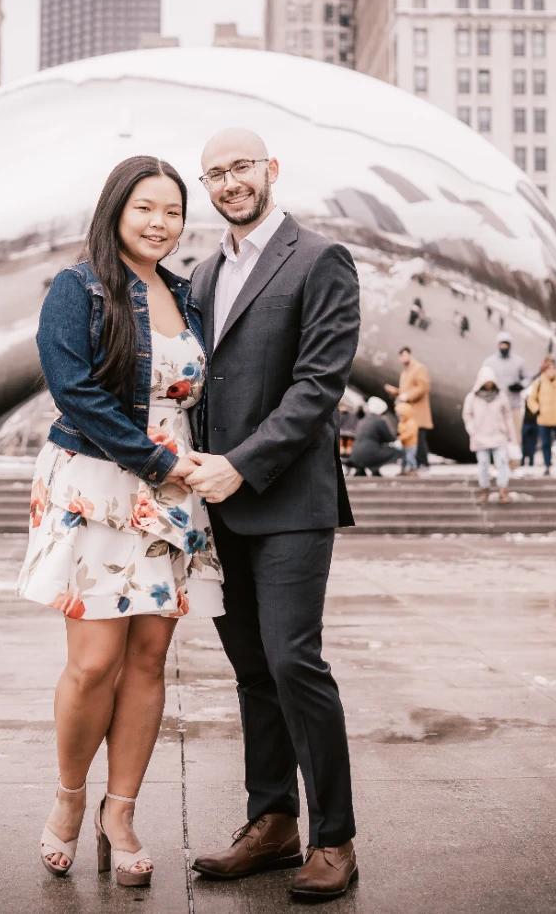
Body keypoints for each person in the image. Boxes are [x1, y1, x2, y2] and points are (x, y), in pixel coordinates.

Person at [18, 155, 223, 889]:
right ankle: (70, 798)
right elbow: (74, 391)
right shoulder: (78, 288)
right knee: (95, 661)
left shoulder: (186, 296)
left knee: (147, 661)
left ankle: (122, 810)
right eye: (145, 208)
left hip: (172, 497)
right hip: (102, 485)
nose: (160, 222)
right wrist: (157, 461)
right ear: (116, 210)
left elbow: (196, 395)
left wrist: (198, 468)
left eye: (171, 210)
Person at [183, 128, 361, 901]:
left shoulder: (321, 260)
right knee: (252, 671)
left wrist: (239, 466)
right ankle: (272, 821)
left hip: (287, 501)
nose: (230, 182)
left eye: (242, 167)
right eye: (215, 173)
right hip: (215, 508)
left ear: (271, 171)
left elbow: (317, 389)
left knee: (294, 662)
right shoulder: (198, 274)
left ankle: (334, 836)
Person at [464, 371, 517, 502]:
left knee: (502, 463)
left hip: (498, 435)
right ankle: (484, 489)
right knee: (483, 464)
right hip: (480, 437)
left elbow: (508, 416)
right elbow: (467, 415)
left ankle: (503, 489)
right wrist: (472, 430)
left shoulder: (501, 396)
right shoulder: (472, 397)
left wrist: (511, 435)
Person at [482, 331, 529, 464]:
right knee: (496, 435)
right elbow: (482, 379)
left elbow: (527, 378)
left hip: (513, 404)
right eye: (501, 344)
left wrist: (520, 385)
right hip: (494, 406)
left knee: (514, 435)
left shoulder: (518, 361)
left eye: (506, 344)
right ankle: (498, 463)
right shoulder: (489, 362)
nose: (504, 347)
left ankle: (514, 463)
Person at [384, 347, 433, 470]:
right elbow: (405, 391)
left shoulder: (419, 368)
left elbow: (423, 387)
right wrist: (396, 392)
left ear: (410, 355)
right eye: (400, 357)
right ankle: (414, 464)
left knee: (420, 439)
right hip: (409, 412)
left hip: (418, 411)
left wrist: (406, 396)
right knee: (412, 440)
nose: (402, 359)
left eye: (404, 355)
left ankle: (424, 464)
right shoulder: (405, 372)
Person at [525, 356, 556, 476]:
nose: (551, 371)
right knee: (546, 444)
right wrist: (537, 410)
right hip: (543, 419)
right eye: (549, 368)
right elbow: (531, 399)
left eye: (553, 368)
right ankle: (547, 465)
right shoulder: (539, 382)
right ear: (544, 370)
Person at [346, 396, 401, 476]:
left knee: (374, 449)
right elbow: (389, 438)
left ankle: (363, 470)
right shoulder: (379, 421)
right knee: (397, 452)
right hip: (369, 455)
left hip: (354, 455)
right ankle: (376, 469)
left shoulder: (363, 420)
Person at [395, 399, 420, 475]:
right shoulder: (401, 423)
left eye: (401, 416)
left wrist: (400, 438)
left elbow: (409, 434)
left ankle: (413, 469)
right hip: (404, 445)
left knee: (410, 457)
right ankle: (403, 470)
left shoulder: (411, 423)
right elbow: (399, 432)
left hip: (411, 445)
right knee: (404, 458)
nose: (400, 418)